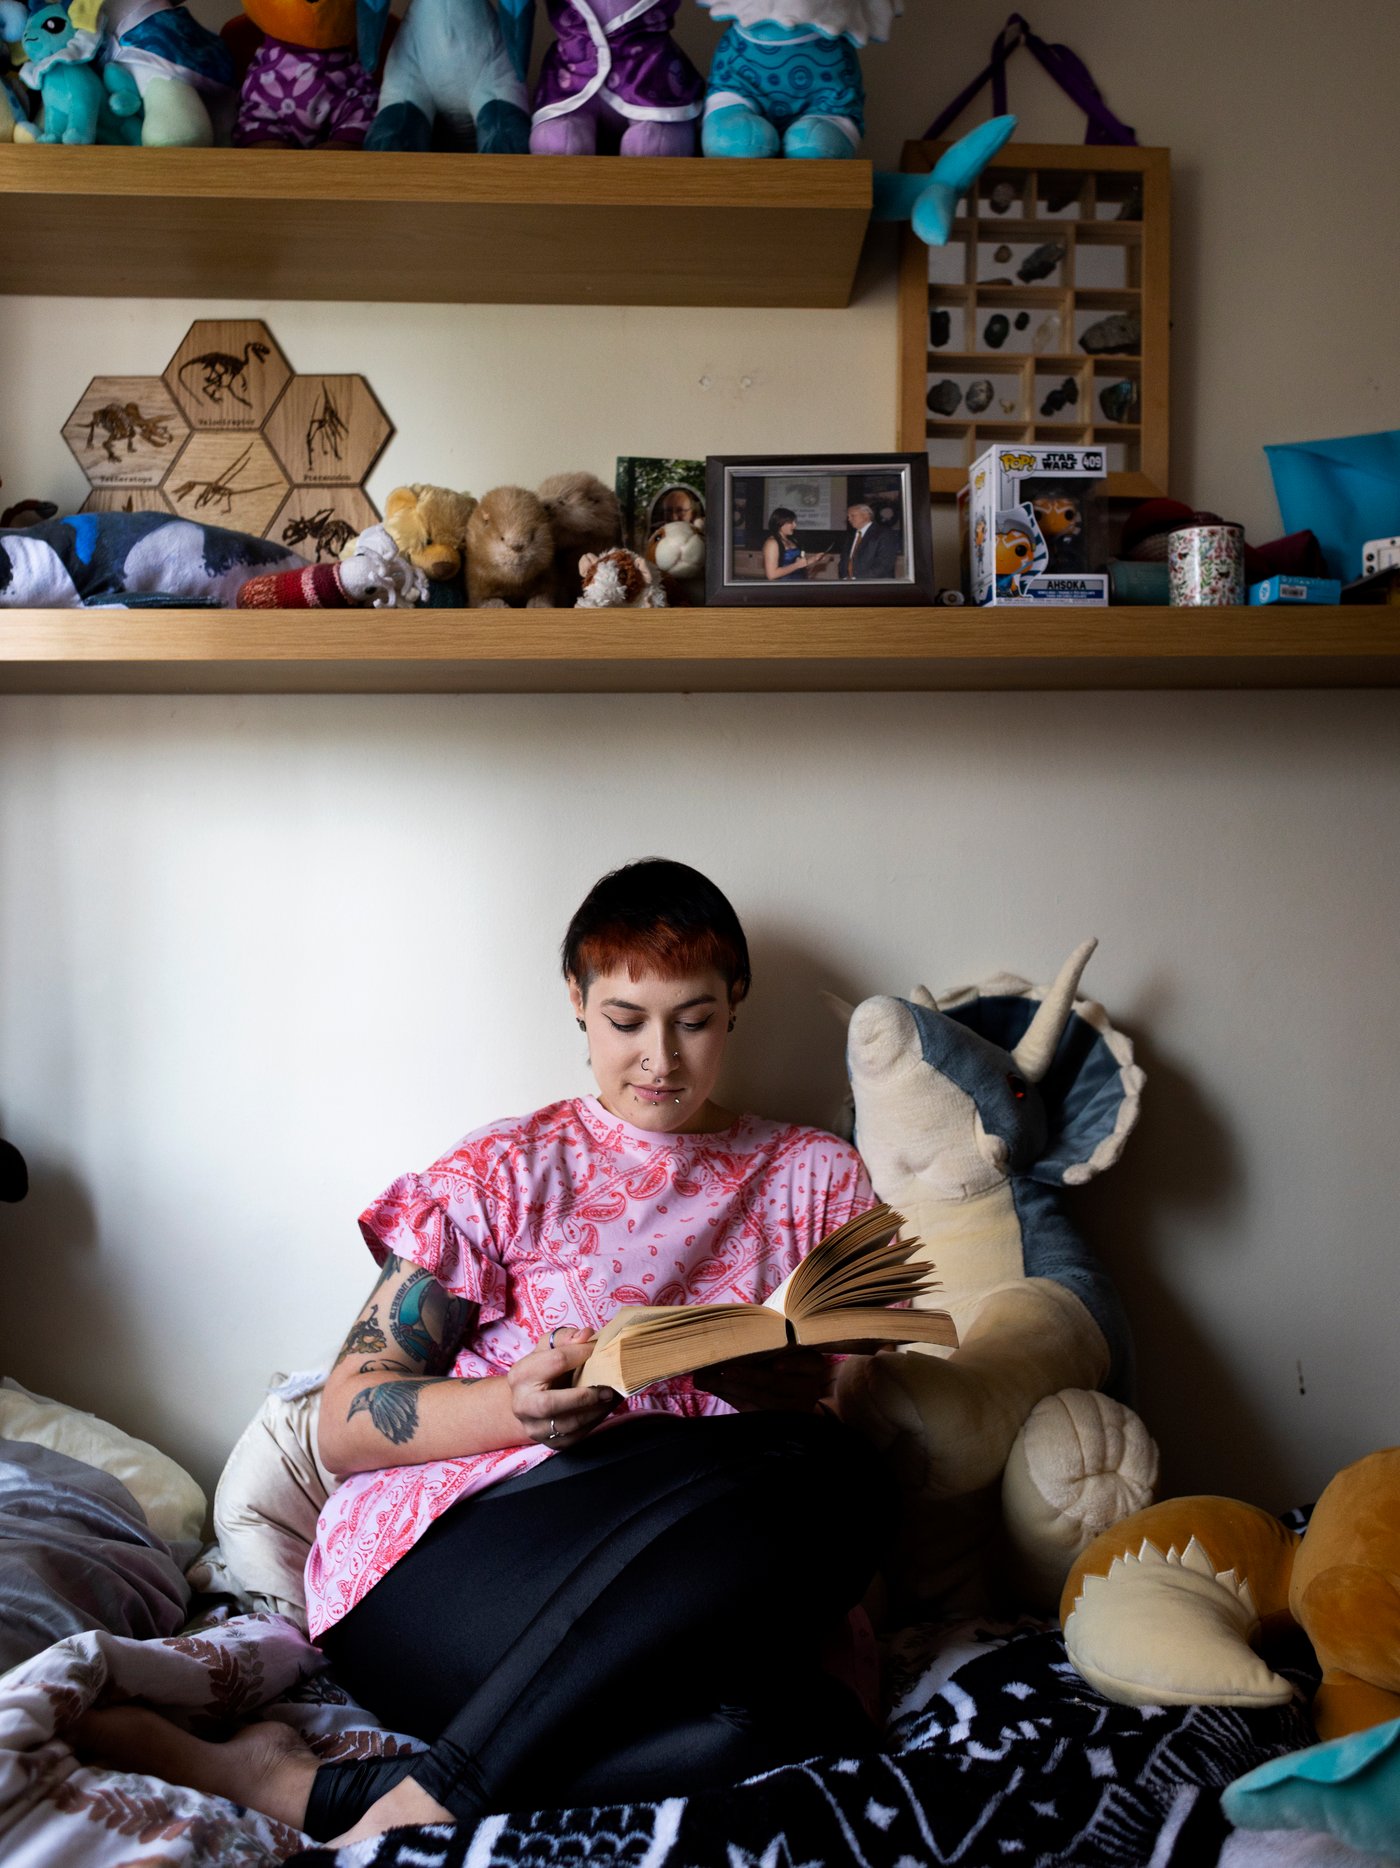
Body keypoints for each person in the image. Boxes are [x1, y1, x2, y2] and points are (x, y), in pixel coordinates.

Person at [74, 859, 894, 1848]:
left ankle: (311, 1790)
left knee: (797, 1693)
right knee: (812, 1473)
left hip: (697, 1578)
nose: (660, 1059)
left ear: (735, 1008)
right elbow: (344, 1417)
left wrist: (788, 1390)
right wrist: (520, 1403)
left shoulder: (814, 1176)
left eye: (694, 1019)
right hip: (458, 1567)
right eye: (626, 1019)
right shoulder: (503, 1170)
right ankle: (437, 1796)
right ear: (577, 1003)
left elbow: (865, 1432)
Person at [762, 506, 831, 582]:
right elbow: (771, 575)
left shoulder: (792, 540)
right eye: (791, 522)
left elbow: (795, 563)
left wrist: (813, 559)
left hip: (798, 584)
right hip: (783, 588)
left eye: (794, 522)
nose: (794, 525)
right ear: (780, 523)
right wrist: (797, 565)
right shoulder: (772, 543)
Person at [836, 502, 900, 582]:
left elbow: (885, 564)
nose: (849, 519)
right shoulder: (850, 537)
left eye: (852, 516)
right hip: (850, 585)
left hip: (875, 586)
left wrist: (857, 579)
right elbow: (843, 560)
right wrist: (845, 577)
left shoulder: (884, 534)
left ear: (866, 516)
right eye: (848, 517)